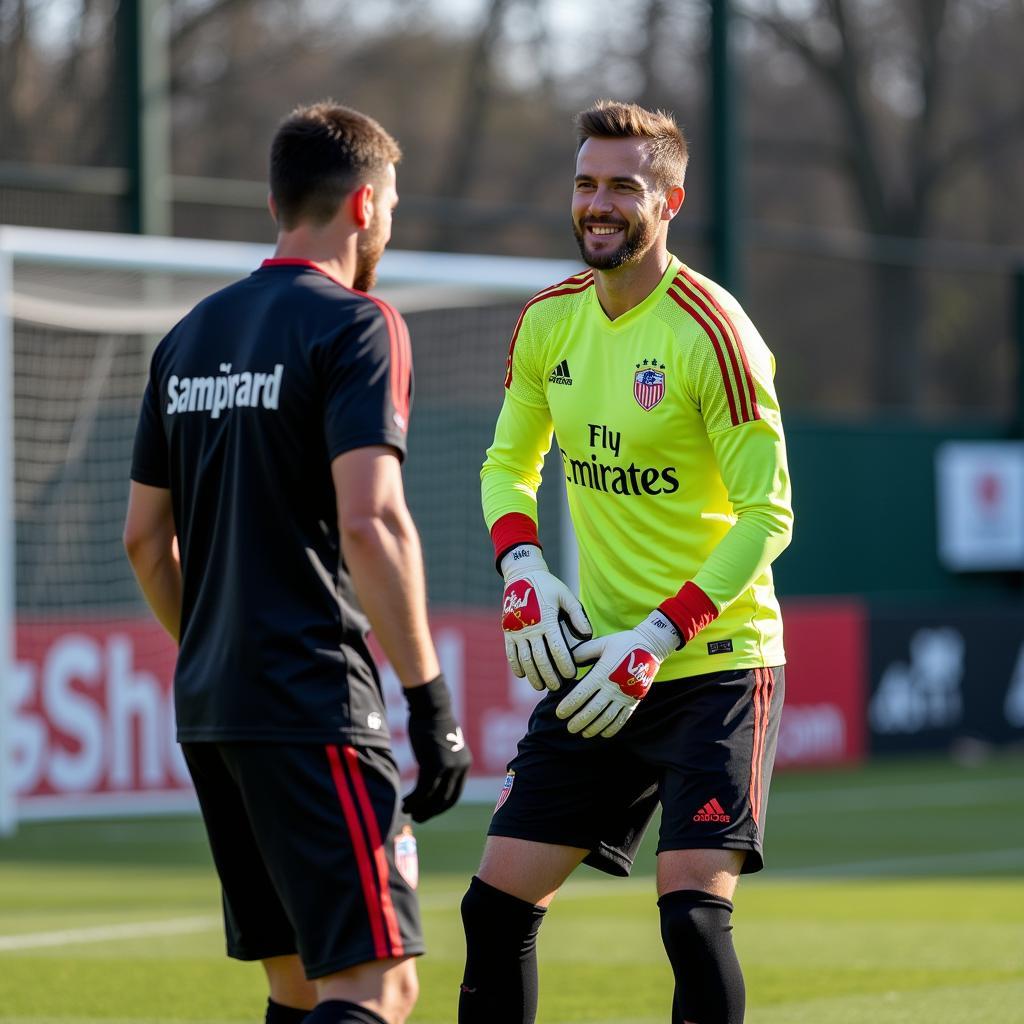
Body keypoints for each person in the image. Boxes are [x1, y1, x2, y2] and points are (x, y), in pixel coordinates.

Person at [124, 102, 471, 1024]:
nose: (389, 222)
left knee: (299, 982)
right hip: (312, 701)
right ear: (363, 205)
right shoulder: (357, 325)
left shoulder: (188, 336)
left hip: (211, 706)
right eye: (390, 203)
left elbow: (142, 539)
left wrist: (213, 641)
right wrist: (430, 700)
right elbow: (374, 521)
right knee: (379, 984)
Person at [460, 99, 793, 1024]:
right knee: (493, 911)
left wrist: (662, 629)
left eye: (622, 186)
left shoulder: (714, 332)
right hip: (601, 664)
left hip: (715, 662)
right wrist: (521, 567)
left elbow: (770, 515)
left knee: (691, 921)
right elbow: (505, 465)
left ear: (671, 200)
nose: (598, 204)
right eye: (585, 183)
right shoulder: (548, 322)